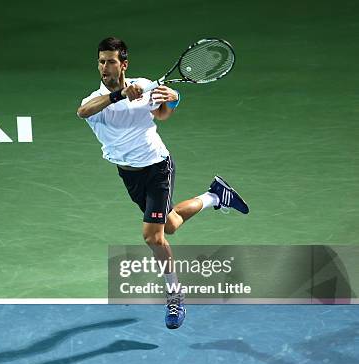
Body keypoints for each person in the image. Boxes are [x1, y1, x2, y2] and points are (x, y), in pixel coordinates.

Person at [77, 37, 249, 329]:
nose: (105, 67)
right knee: (168, 225)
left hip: (157, 167)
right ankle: (214, 196)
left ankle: (175, 295)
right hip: (128, 175)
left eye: (111, 61)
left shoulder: (144, 86)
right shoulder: (94, 100)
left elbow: (162, 115)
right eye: (101, 61)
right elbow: (84, 112)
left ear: (124, 64)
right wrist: (119, 95)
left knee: (153, 237)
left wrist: (173, 99)